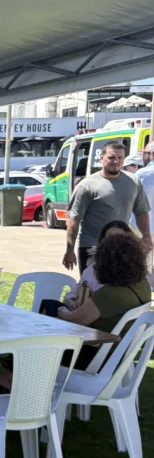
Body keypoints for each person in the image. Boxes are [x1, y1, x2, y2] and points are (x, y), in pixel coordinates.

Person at [64, 142, 151, 273]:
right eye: (111, 157)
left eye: (120, 158)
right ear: (102, 158)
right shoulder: (87, 186)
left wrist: (146, 236)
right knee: (90, 288)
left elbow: (141, 212)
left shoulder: (134, 182)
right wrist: (69, 250)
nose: (116, 161)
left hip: (121, 246)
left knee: (118, 287)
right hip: (92, 247)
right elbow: (73, 221)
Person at [56, 231, 151, 335]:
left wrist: (61, 310)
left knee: (52, 307)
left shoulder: (110, 294)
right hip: (130, 347)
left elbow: (74, 320)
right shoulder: (143, 284)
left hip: (104, 348)